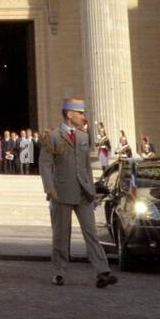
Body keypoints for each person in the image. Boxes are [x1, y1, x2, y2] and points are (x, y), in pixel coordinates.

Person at [39, 98, 117, 288]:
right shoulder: (52, 136)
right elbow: (45, 164)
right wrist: (50, 188)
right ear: (69, 114)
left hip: (83, 194)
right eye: (80, 113)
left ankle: (102, 271)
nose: (83, 117)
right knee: (61, 235)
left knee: (91, 233)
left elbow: (86, 167)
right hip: (61, 192)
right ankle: (59, 272)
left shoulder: (83, 137)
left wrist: (91, 188)